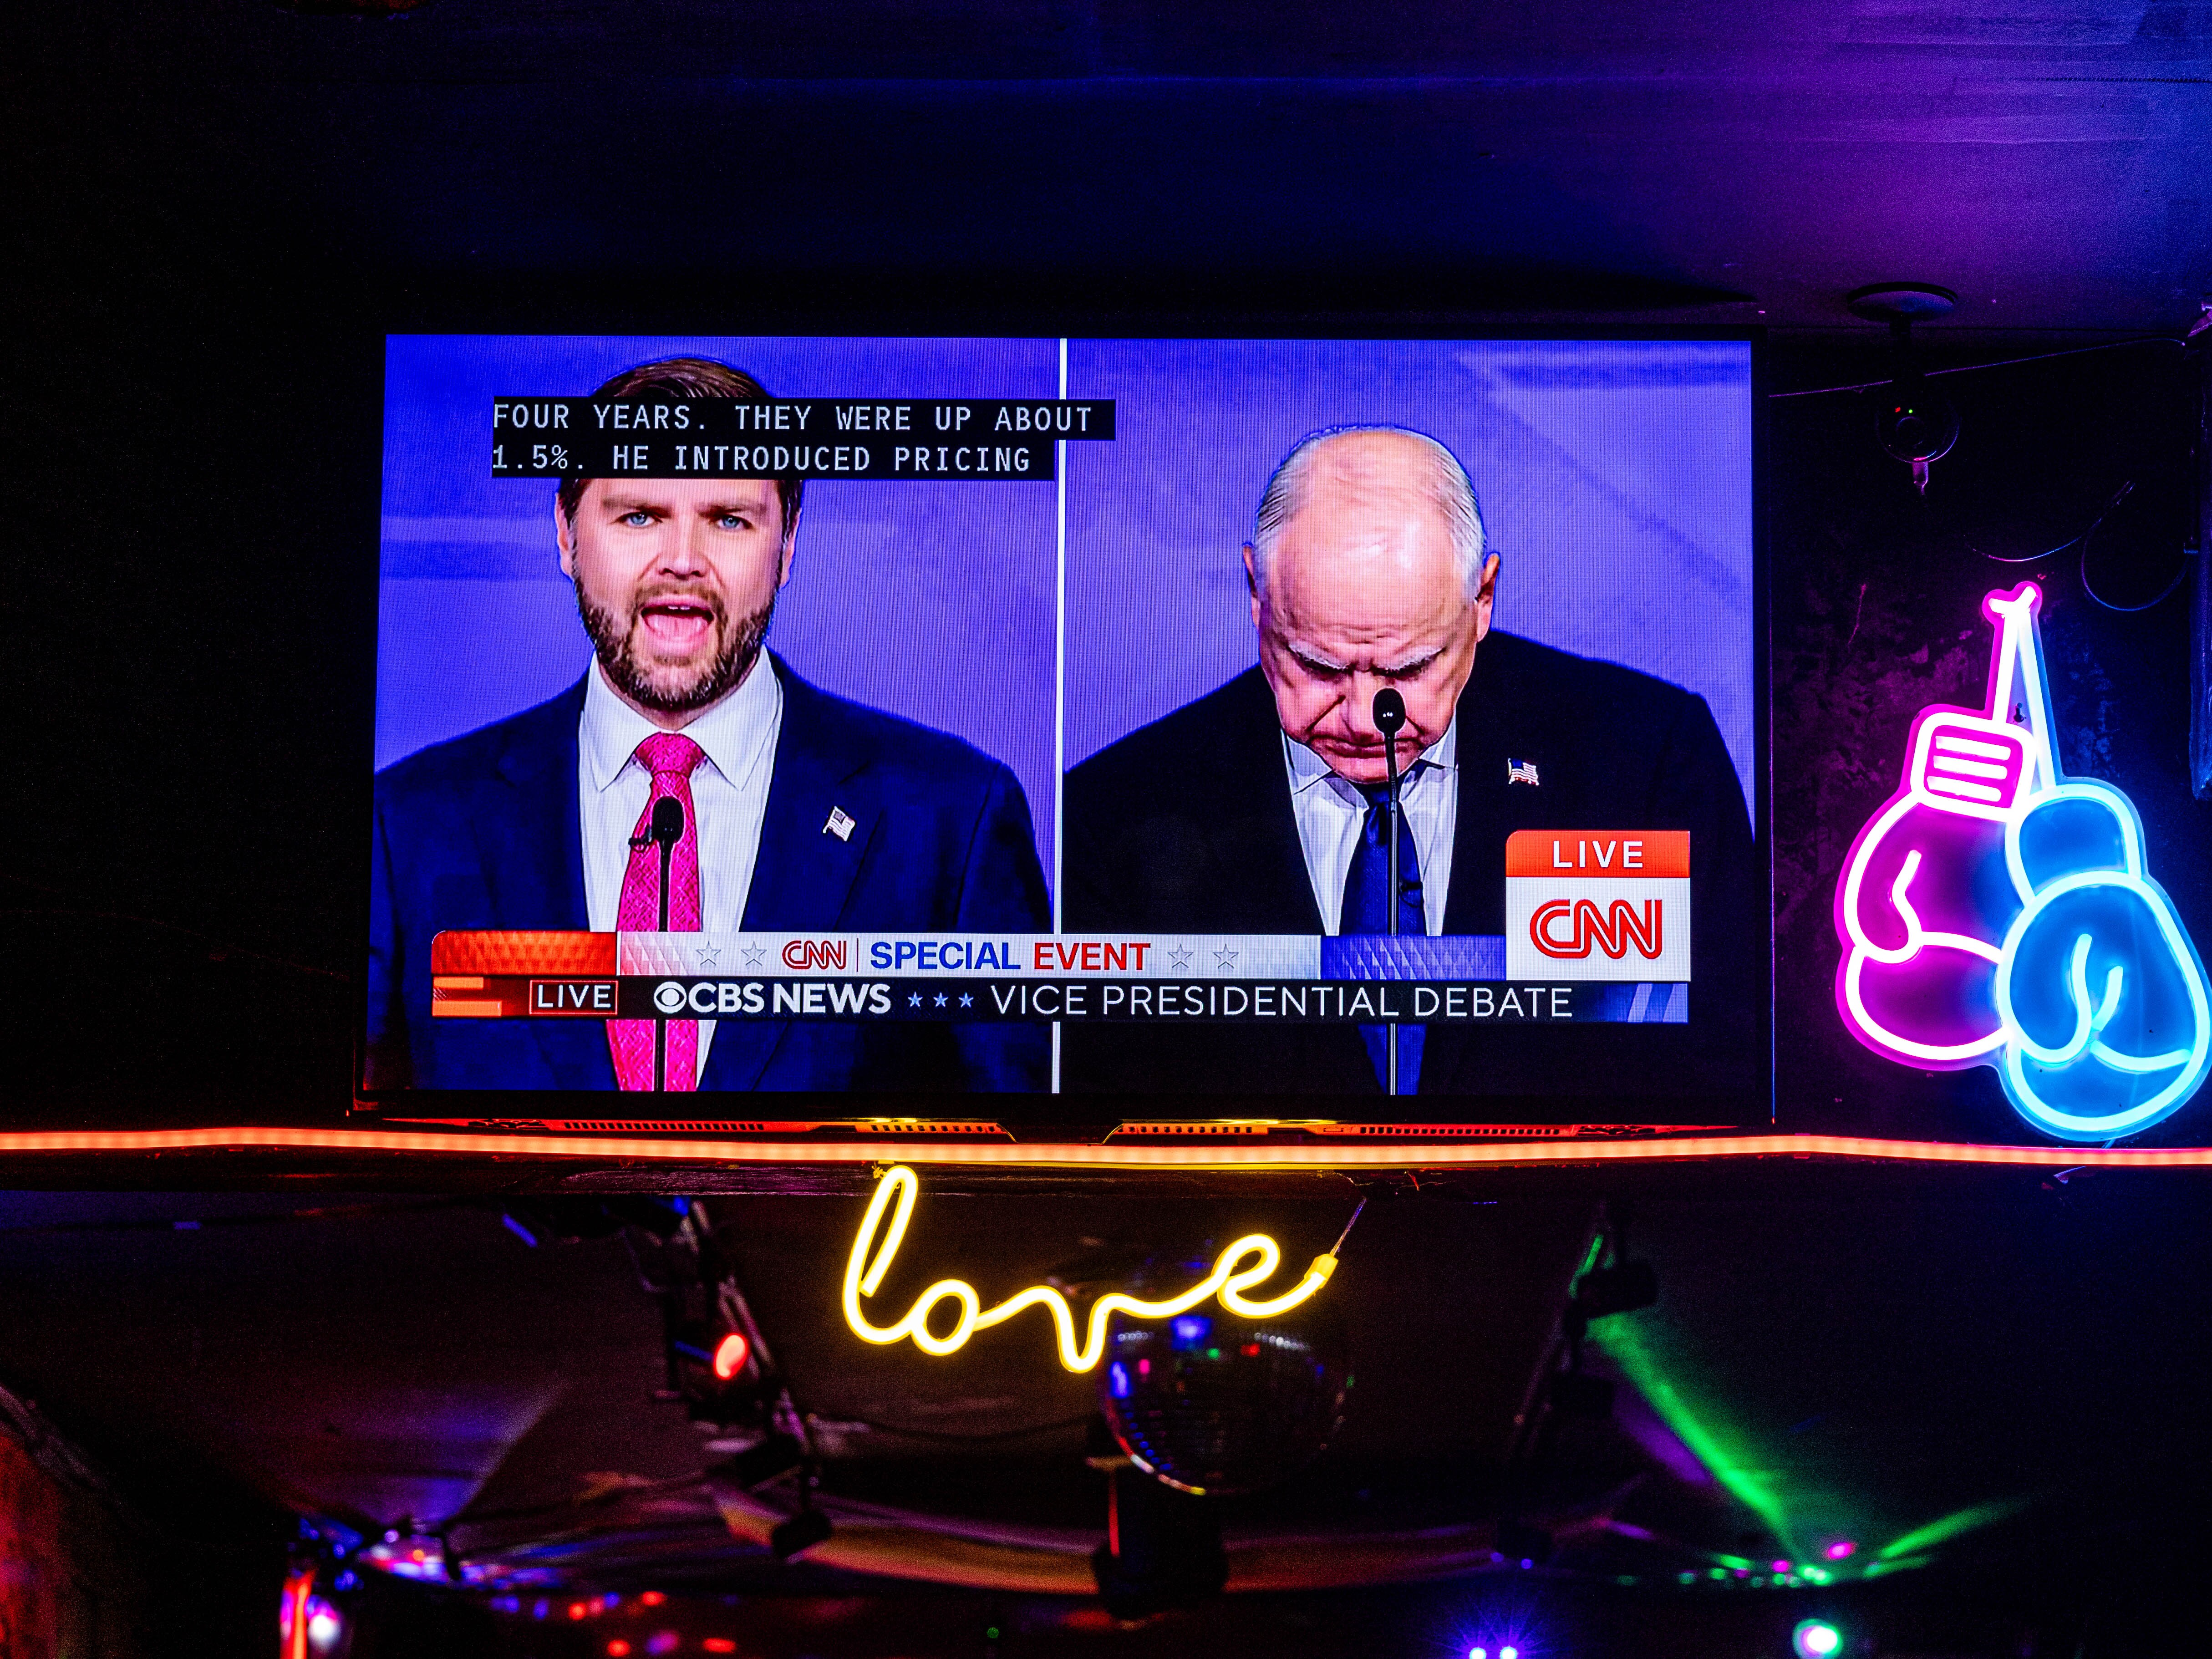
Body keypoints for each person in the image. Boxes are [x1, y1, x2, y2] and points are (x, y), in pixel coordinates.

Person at [367, 357, 1049, 1093]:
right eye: (639, 516)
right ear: (566, 535)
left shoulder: (953, 818)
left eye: (728, 520)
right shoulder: (410, 823)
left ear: (786, 545)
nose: (683, 562)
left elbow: (1008, 1177)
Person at [1060, 426, 1759, 1103]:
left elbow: (1715, 1077)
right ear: (1256, 594)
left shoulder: (1644, 763)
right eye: (1317, 665)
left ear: (1481, 601)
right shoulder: (1114, 812)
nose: (1365, 718)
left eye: (1408, 667)